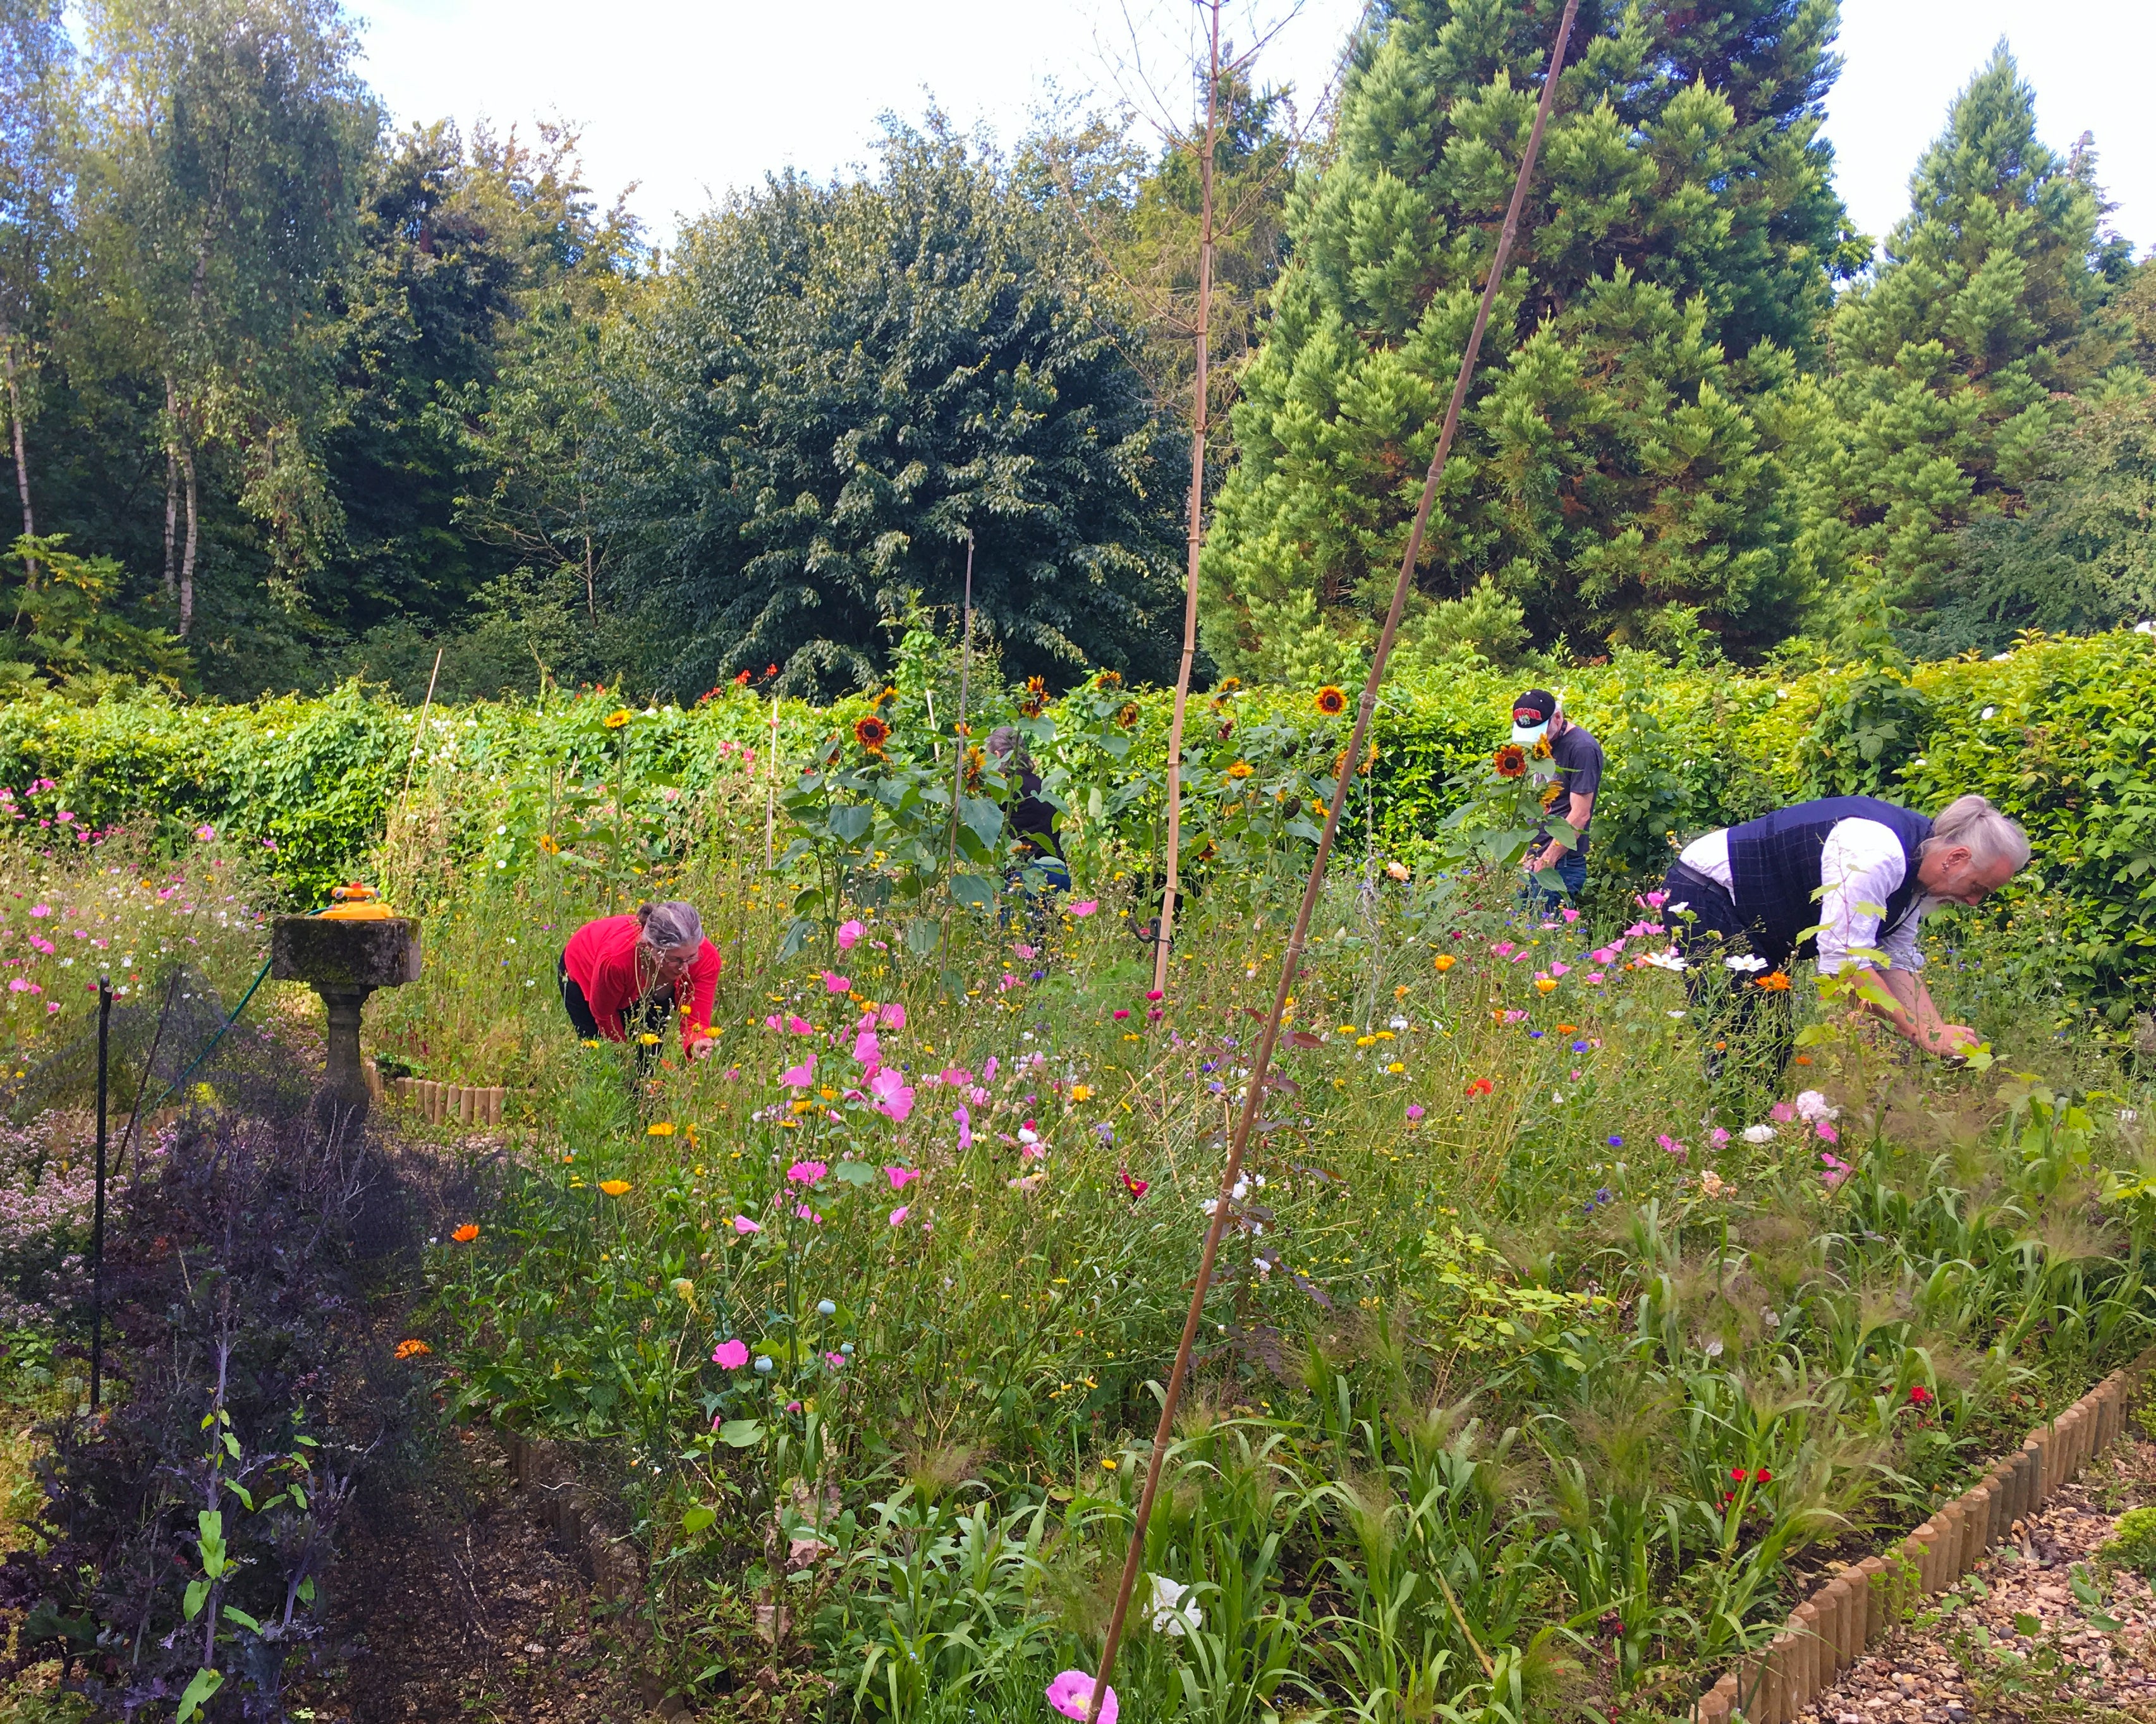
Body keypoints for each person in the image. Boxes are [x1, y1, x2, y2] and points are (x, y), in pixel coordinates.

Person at [1659, 792, 2030, 1066]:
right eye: (1978, 888)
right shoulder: (1876, 855)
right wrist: (1918, 1033)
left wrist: (1936, 1032)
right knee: (1747, 1038)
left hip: (1760, 912)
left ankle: (1741, 1137)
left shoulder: (1921, 866)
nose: (1973, 902)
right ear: (1956, 858)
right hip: (1709, 892)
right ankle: (1725, 1144)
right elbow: (1844, 969)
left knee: (1769, 1040)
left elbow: (1893, 957)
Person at [560, 901, 721, 1062]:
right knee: (601, 1058)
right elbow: (605, 1016)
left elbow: (695, 1020)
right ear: (649, 947)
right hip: (584, 969)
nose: (685, 968)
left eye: (691, 958)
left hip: (645, 981)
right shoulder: (617, 960)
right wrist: (625, 1059)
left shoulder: (706, 958)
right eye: (676, 960)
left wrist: (696, 1042)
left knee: (649, 1059)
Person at [1510, 688, 1603, 910]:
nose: (1537, 740)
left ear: (1558, 718)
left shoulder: (1582, 748)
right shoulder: (1541, 745)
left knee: (1545, 937)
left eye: (1540, 732)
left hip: (1560, 863)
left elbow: (1580, 814)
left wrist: (1548, 859)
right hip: (1533, 856)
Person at [985, 727, 1072, 897]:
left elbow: (986, 836)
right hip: (1058, 871)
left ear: (996, 755)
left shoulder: (1004, 790)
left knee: (1015, 924)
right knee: (1050, 924)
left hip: (1026, 876)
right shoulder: (1041, 785)